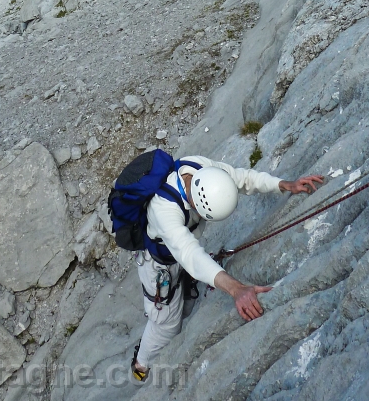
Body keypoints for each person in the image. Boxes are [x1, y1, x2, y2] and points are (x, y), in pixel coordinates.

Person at [130, 155, 323, 382]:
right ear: (198, 207)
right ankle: (141, 364)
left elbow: (241, 177)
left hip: (175, 249)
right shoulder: (164, 210)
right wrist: (236, 289)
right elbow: (190, 255)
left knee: (186, 300)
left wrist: (283, 184)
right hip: (158, 265)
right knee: (166, 324)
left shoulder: (200, 167)